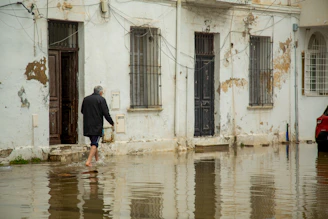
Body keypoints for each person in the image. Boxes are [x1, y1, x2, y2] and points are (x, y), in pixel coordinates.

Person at [81, 85, 114, 167]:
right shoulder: (101, 99)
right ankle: (88, 161)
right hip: (96, 125)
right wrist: (111, 122)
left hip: (87, 125)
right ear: (100, 92)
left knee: (93, 142)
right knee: (94, 143)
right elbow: (106, 113)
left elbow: (82, 111)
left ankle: (97, 160)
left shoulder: (86, 99)